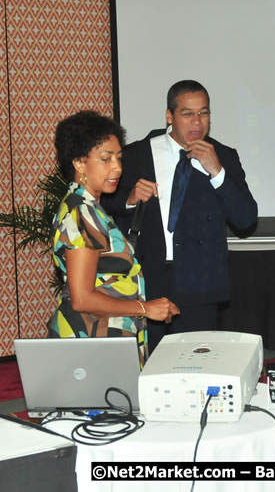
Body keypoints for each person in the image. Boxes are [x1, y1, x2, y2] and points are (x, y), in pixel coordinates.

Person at [103, 80, 257, 351]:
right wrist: (128, 199)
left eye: (204, 113)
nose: (197, 122)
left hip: (200, 283)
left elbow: (246, 219)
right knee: (148, 367)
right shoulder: (136, 154)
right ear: (169, 116)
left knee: (195, 368)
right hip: (147, 278)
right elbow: (104, 206)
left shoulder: (224, 156)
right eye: (188, 113)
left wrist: (217, 172)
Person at [49, 110, 179, 367]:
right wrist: (146, 309)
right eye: (105, 159)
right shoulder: (81, 213)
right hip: (93, 340)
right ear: (79, 163)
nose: (117, 167)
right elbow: (82, 298)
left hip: (107, 337)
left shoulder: (91, 208)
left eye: (119, 158)